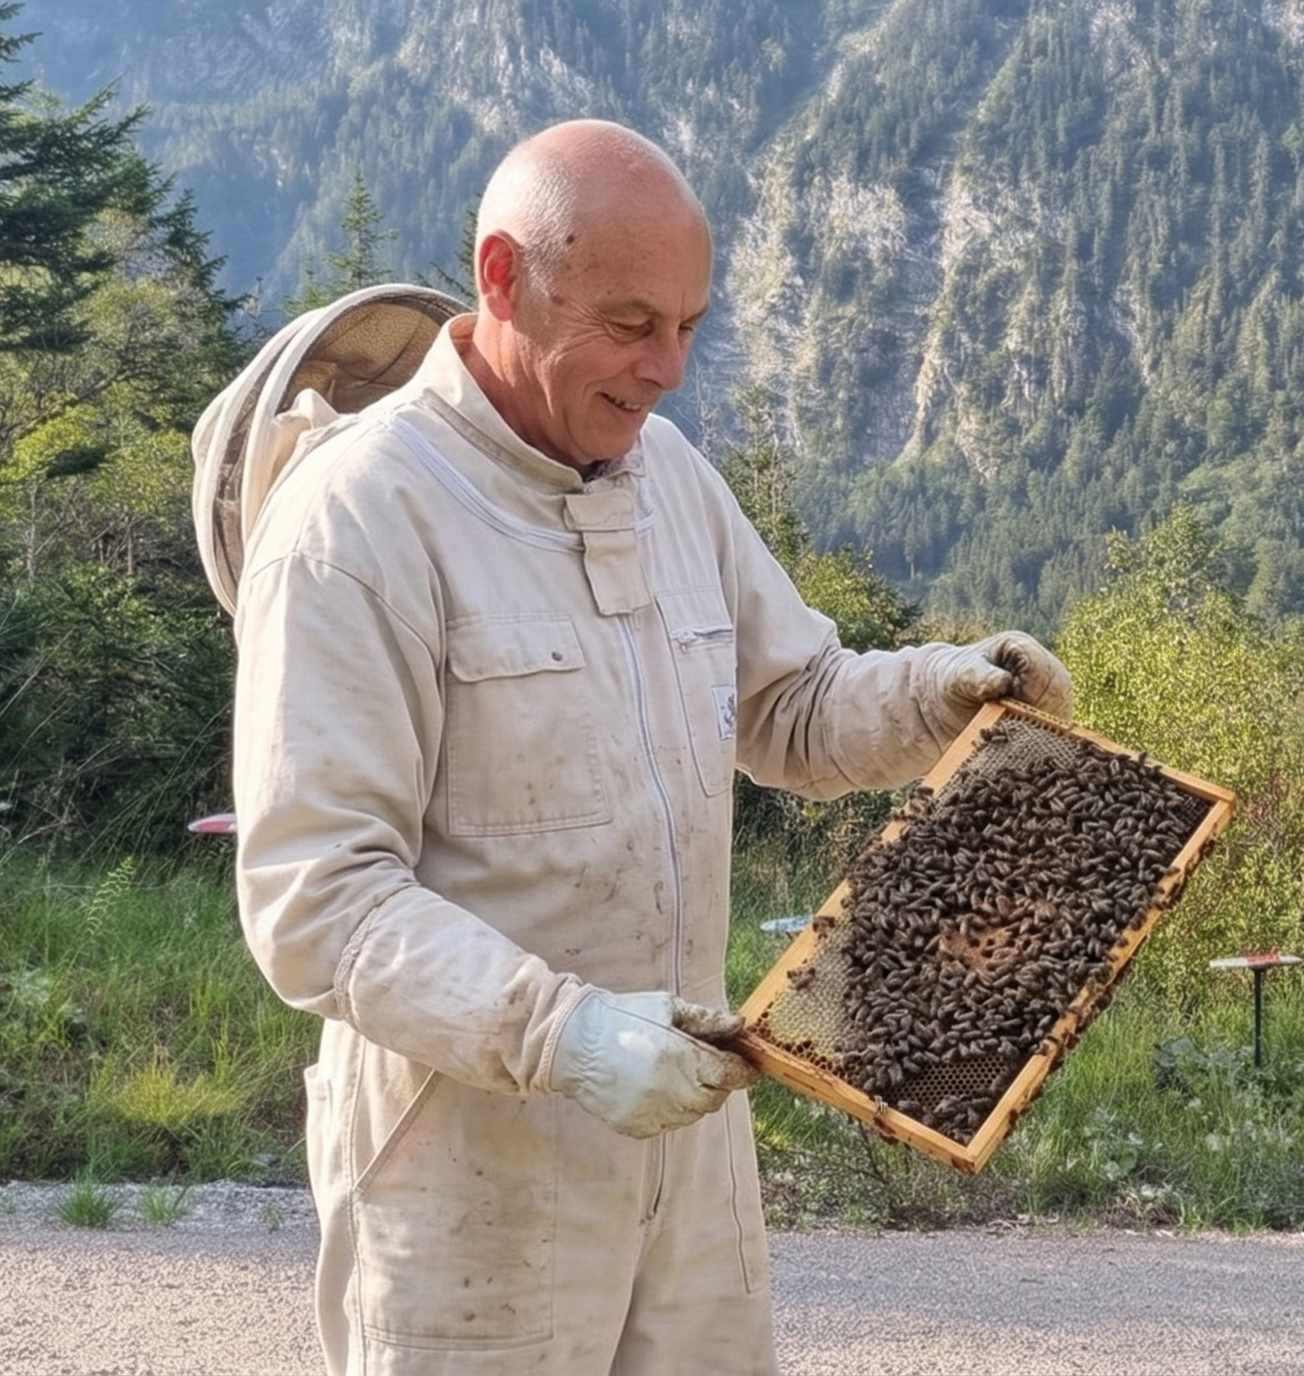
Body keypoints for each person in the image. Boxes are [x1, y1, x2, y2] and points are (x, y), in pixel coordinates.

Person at [225, 120, 1070, 1375]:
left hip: (689, 1140)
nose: (668, 368)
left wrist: (942, 691)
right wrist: (563, 1033)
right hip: (467, 1169)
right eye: (631, 324)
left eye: (689, 324)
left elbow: (790, 701)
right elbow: (316, 894)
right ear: (503, 278)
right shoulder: (357, 521)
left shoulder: (666, 470)